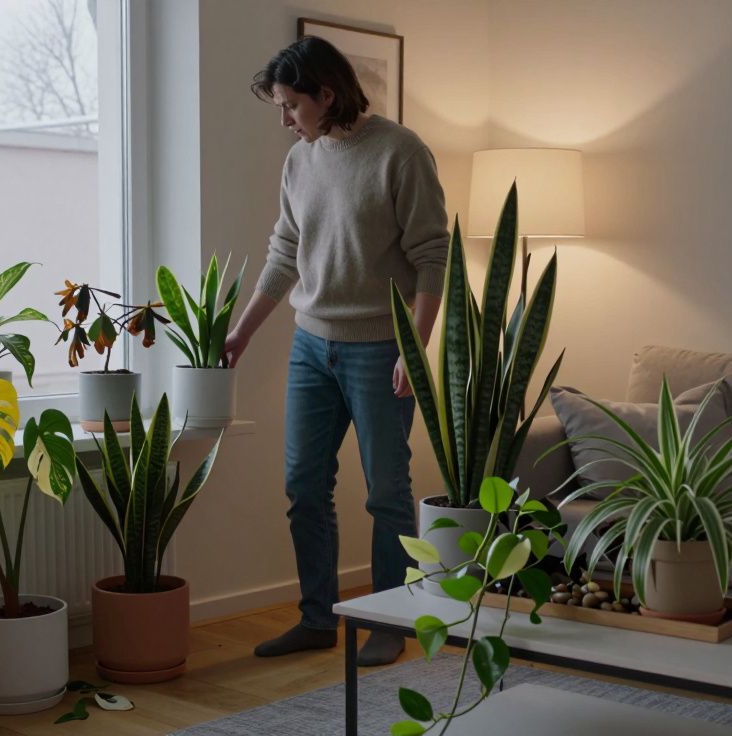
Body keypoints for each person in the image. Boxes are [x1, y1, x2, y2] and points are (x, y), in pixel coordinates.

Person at [224, 36, 448, 667]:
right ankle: (317, 619)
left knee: (387, 493)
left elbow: (433, 257)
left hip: (381, 350)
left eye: (291, 105)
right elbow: (284, 254)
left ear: (326, 94)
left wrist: (415, 348)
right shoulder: (300, 161)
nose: (285, 119)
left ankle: (389, 622)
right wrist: (243, 331)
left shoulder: (401, 152)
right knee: (303, 487)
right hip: (311, 347)